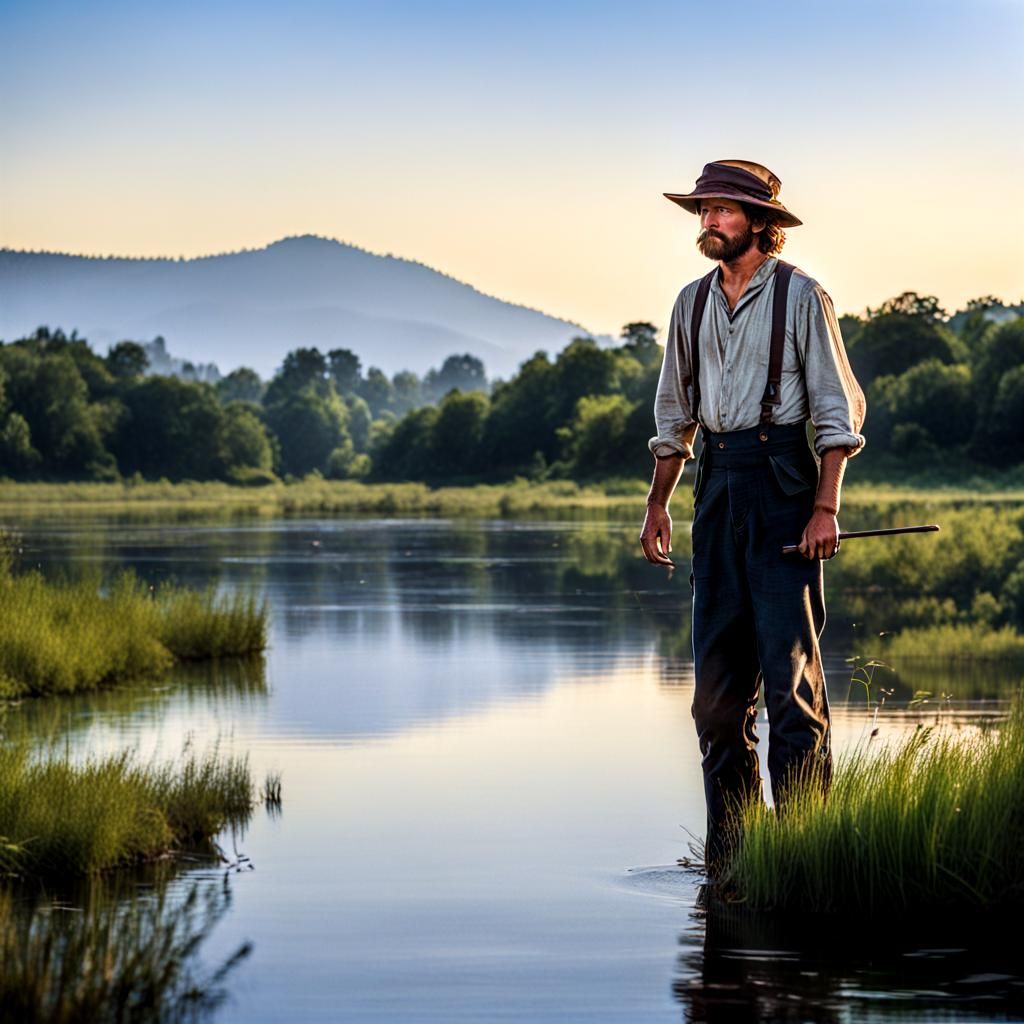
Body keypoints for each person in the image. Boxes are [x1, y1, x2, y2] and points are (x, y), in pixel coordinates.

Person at [638, 159, 866, 873]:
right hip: (716, 487)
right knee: (714, 701)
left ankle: (804, 860)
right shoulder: (690, 302)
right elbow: (674, 417)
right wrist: (658, 503)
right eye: (704, 209)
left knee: (791, 692)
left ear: (761, 223)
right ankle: (733, 864)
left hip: (785, 487)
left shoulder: (803, 297)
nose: (708, 220)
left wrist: (824, 507)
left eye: (723, 210)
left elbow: (837, 413)